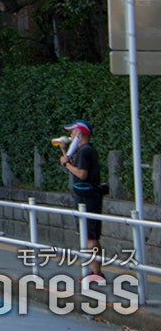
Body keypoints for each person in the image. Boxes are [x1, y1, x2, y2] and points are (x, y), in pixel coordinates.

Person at [59, 120, 104, 282]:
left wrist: (67, 165)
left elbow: (82, 174)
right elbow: (73, 167)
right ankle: (96, 271)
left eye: (73, 132)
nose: (71, 136)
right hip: (87, 198)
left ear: (80, 134)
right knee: (89, 236)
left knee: (90, 237)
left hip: (87, 200)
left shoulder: (85, 151)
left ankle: (96, 272)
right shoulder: (84, 150)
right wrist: (65, 153)